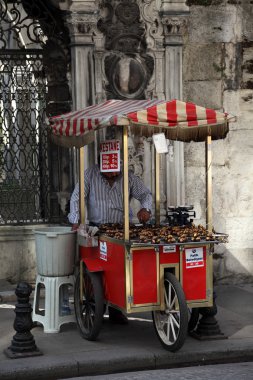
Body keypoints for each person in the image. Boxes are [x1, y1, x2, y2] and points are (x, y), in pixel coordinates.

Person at [68, 161, 152, 324]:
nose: (113, 176)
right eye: (109, 173)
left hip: (121, 228)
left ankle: (117, 308)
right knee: (99, 269)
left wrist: (146, 208)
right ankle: (95, 302)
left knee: (119, 269)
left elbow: (146, 195)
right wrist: (75, 219)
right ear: (100, 167)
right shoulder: (90, 175)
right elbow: (76, 198)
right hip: (97, 229)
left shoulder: (128, 177)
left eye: (116, 172)